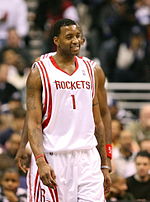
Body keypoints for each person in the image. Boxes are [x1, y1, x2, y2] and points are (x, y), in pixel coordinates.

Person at [17, 18, 111, 201]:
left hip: (87, 157)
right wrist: (38, 159)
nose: (75, 41)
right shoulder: (40, 71)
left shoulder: (93, 70)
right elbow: (33, 119)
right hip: (54, 156)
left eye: (78, 36)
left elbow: (100, 118)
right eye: (69, 37)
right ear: (56, 41)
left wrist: (105, 163)